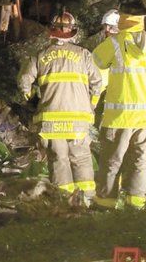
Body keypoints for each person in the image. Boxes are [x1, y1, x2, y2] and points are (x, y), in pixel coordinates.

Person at [17, 11, 103, 205]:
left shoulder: (40, 56)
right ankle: (87, 201)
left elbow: (24, 82)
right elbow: (98, 83)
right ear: (72, 32)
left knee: (59, 159)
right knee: (81, 158)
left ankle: (63, 202)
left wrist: (30, 97)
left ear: (51, 31)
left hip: (52, 120)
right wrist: (91, 106)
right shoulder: (83, 55)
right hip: (79, 121)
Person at [92, 0, 146, 209]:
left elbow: (94, 65)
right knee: (139, 161)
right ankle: (135, 203)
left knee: (111, 161)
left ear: (123, 17)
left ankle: (105, 202)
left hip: (118, 117)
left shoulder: (114, 43)